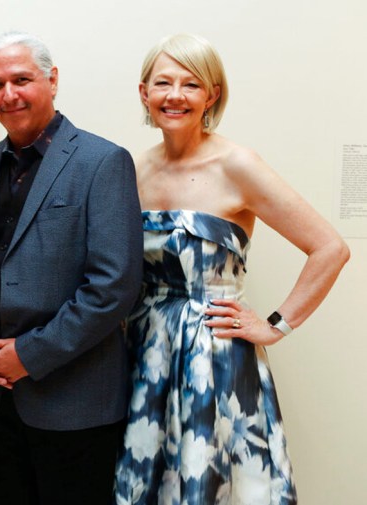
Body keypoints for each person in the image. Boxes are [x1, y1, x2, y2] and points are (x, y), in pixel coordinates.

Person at [113, 33, 350, 504]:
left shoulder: (237, 164)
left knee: (213, 481)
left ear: (211, 95)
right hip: (143, 350)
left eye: (191, 84)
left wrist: (275, 325)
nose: (175, 95)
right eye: (163, 83)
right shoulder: (131, 170)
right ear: (144, 93)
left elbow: (330, 247)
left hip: (213, 355)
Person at [0, 31, 143, 504]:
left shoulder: (103, 161)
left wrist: (28, 356)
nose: (8, 94)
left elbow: (113, 287)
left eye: (21, 79)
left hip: (75, 404)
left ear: (52, 81)